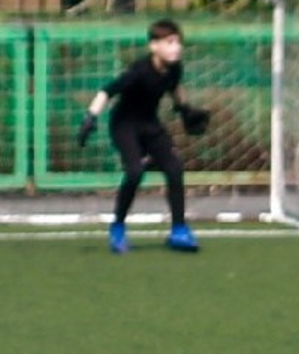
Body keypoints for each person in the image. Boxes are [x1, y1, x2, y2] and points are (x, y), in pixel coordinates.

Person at [80, 18, 209, 253]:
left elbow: (174, 87)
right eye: (169, 42)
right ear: (154, 46)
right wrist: (90, 117)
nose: (176, 47)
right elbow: (107, 91)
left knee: (174, 168)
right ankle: (118, 227)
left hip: (150, 125)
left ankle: (179, 231)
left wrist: (184, 109)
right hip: (124, 125)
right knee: (135, 172)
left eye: (178, 42)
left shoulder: (174, 68)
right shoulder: (139, 71)